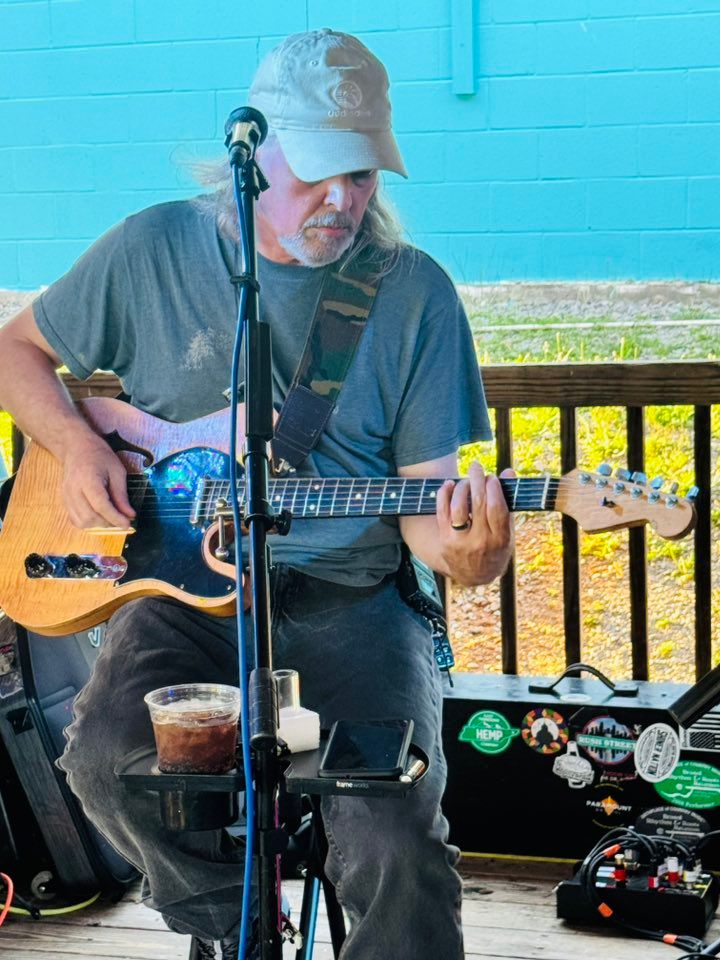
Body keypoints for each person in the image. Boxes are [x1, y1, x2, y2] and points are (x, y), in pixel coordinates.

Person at [0, 29, 513, 960]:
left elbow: (427, 512)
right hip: (186, 605)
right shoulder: (150, 250)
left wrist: (471, 556)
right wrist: (73, 444)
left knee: (394, 838)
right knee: (105, 765)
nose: (343, 199)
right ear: (254, 151)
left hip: (354, 603)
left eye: (363, 174)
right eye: (320, 170)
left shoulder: (412, 294)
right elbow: (14, 350)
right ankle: (236, 925)